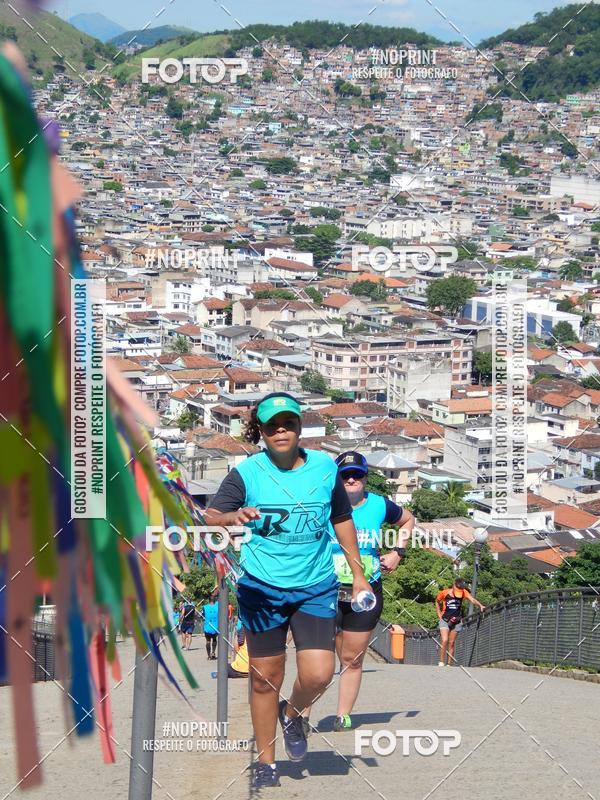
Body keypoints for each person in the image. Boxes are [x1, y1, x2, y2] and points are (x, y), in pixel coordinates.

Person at [204, 391, 370, 789]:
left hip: (314, 585)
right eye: (272, 425)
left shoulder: (324, 470)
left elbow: (342, 518)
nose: (281, 431)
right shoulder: (248, 473)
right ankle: (266, 761)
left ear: (300, 428)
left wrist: (358, 573)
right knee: (265, 677)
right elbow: (210, 516)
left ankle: (293, 713)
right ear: (259, 431)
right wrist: (233, 515)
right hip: (262, 589)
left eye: (288, 424)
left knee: (319, 672)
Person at [307, 450, 414, 732]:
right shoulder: (322, 505)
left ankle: (343, 715)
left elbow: (408, 520)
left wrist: (398, 553)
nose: (351, 479)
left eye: (357, 474)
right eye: (345, 475)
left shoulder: (379, 505)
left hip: (364, 591)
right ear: (337, 479)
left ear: (366, 477)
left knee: (352, 659)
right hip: (324, 589)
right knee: (318, 658)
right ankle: (301, 714)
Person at [435, 578, 485, 666]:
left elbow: (472, 599)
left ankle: (449, 664)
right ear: (453, 586)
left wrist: (480, 605)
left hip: (457, 621)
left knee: (451, 643)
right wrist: (439, 614)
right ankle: (441, 662)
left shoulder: (463, 592)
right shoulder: (444, 593)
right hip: (445, 620)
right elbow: (437, 601)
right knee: (444, 640)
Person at [203, 596, 219, 660]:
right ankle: (213, 652)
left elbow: (203, 616)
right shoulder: (218, 607)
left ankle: (209, 655)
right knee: (214, 639)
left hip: (207, 627)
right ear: (214, 601)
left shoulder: (205, 607)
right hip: (215, 627)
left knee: (208, 641)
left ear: (208, 600)